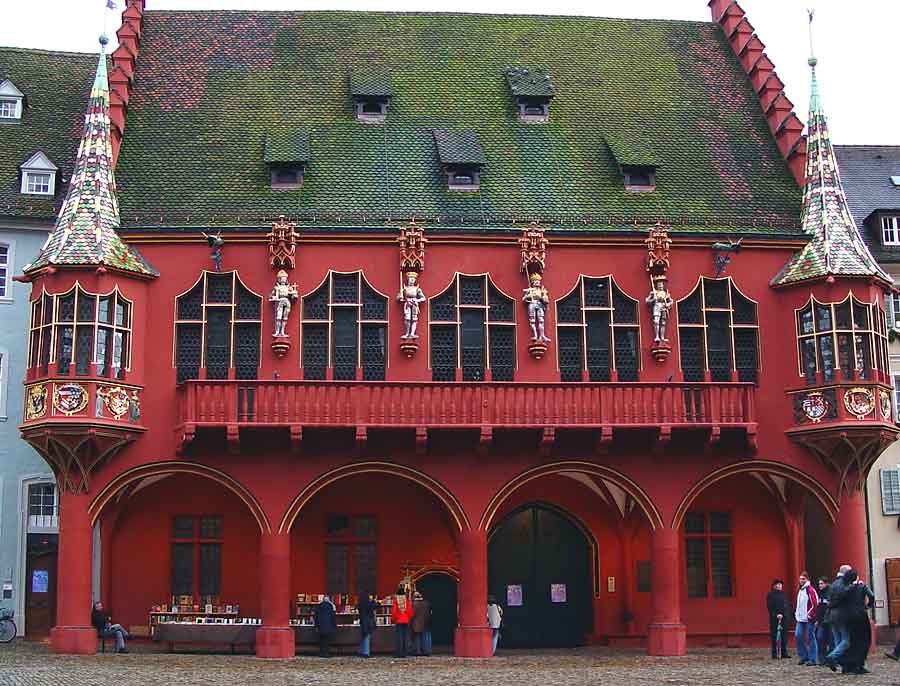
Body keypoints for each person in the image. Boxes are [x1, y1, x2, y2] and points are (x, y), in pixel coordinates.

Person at [835, 569, 874, 675]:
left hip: (848, 617)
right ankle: (858, 665)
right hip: (861, 616)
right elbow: (871, 596)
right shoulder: (862, 586)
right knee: (864, 641)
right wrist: (868, 606)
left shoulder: (844, 588)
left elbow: (837, 600)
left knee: (851, 641)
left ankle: (847, 665)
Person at [824, 565, 852, 669]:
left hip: (831, 615)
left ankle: (837, 660)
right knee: (846, 640)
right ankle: (831, 657)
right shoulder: (844, 584)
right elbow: (843, 598)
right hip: (840, 615)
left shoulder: (834, 583)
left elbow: (829, 600)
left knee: (838, 640)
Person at [794, 571, 819, 666]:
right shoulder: (801, 590)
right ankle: (803, 656)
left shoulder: (810, 590)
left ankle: (812, 659)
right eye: (800, 579)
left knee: (810, 637)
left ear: (807, 579)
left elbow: (815, 603)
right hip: (800, 618)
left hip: (809, 618)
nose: (801, 581)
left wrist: (810, 614)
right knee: (798, 635)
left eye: (803, 579)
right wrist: (797, 614)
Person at [766, 579, 789, 659]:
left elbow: (786, 605)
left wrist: (784, 614)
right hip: (774, 619)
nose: (779, 586)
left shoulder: (783, 594)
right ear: (774, 586)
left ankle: (784, 652)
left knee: (784, 636)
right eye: (778, 585)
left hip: (784, 618)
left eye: (780, 585)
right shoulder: (770, 595)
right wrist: (776, 615)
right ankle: (775, 653)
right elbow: (770, 607)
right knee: (775, 636)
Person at [814, 576, 832, 664]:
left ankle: (831, 658)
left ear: (826, 583)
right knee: (820, 638)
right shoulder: (819, 593)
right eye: (819, 584)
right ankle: (822, 658)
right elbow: (819, 608)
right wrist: (817, 619)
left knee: (831, 640)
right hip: (821, 621)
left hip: (829, 620)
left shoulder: (830, 592)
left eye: (821, 583)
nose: (820, 585)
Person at [391, 587, 413, 658]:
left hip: (398, 620)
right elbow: (410, 611)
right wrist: (408, 618)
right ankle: (404, 652)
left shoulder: (396, 601)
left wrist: (394, 619)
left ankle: (399, 653)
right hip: (406, 620)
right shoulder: (407, 601)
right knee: (405, 637)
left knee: (399, 637)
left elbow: (394, 611)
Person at [356, 592, 379, 658]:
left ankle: (361, 651)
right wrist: (374, 601)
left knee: (363, 636)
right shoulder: (369, 603)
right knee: (367, 637)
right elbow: (375, 606)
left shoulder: (361, 603)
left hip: (362, 621)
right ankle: (366, 653)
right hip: (368, 622)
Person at [411, 590, 432, 656]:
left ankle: (418, 651)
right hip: (426, 622)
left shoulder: (414, 604)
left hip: (416, 622)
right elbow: (429, 612)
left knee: (417, 637)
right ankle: (427, 651)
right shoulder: (426, 603)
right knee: (426, 637)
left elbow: (413, 614)